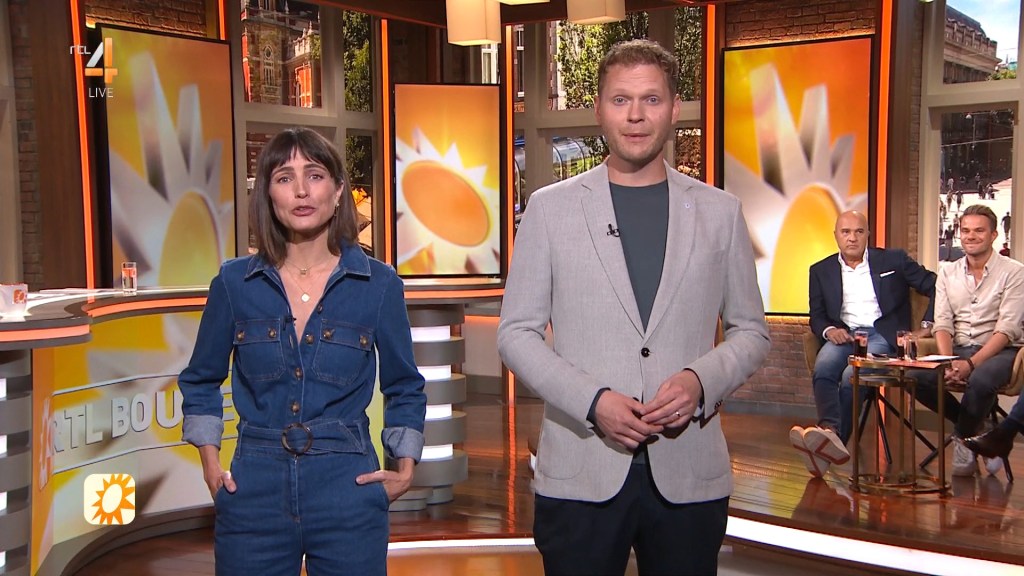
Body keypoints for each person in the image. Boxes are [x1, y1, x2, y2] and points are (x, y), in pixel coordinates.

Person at [497, 39, 770, 576]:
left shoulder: (720, 212)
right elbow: (516, 333)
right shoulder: (550, 210)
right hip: (581, 473)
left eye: (651, 99)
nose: (636, 115)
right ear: (600, 110)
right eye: (621, 100)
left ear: (674, 109)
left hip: (688, 473)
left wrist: (699, 381)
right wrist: (593, 401)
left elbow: (751, 331)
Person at [178, 128, 426, 576]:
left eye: (314, 175)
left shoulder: (379, 284)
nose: (301, 190)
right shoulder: (234, 284)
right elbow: (200, 379)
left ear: (338, 190)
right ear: (268, 194)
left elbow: (405, 385)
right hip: (255, 488)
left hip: (347, 486)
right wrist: (210, 464)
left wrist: (405, 468)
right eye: (284, 177)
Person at [795, 211, 935, 477]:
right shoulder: (820, 270)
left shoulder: (893, 260)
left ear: (868, 234)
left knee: (852, 375)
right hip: (846, 335)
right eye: (846, 232)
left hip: (881, 335)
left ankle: (833, 442)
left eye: (859, 231)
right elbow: (817, 315)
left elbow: (936, 285)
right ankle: (829, 430)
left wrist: (927, 326)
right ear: (836, 236)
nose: (852, 238)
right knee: (824, 367)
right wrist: (829, 330)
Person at [911, 204, 1024, 477]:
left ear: (993, 235)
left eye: (979, 231)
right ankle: (979, 429)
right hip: (959, 349)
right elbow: (942, 323)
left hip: (1001, 351)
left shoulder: (1014, 272)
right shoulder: (947, 272)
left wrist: (970, 364)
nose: (971, 236)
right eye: (966, 230)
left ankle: (962, 438)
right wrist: (949, 361)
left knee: (981, 379)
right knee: (913, 377)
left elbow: (1006, 329)